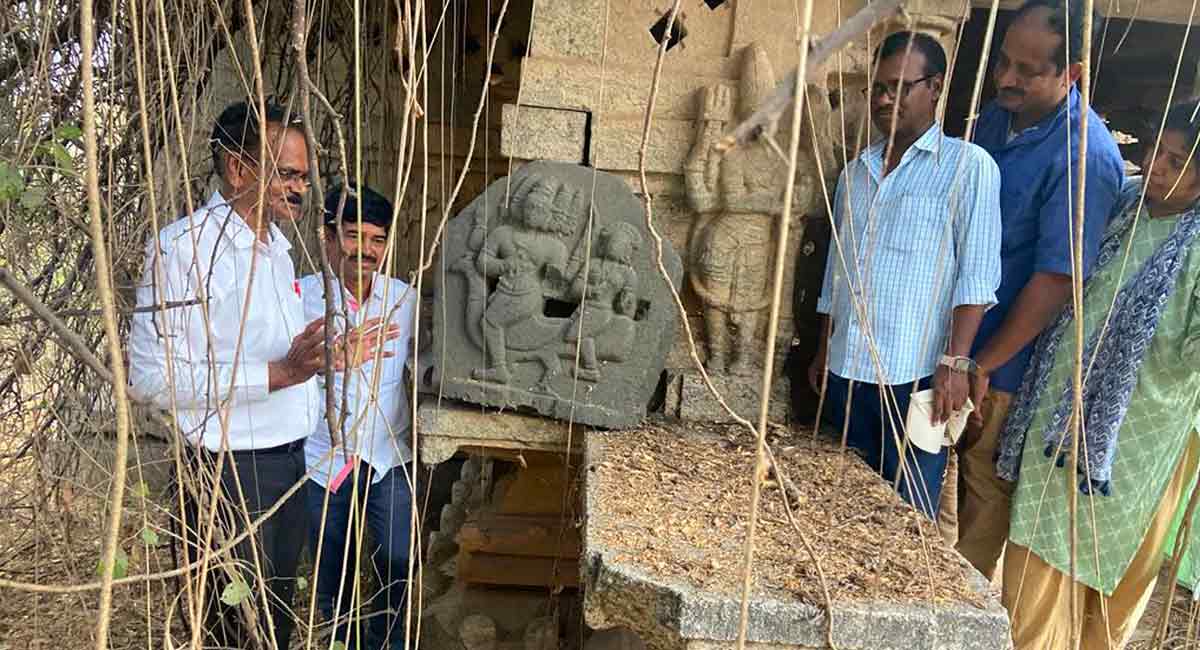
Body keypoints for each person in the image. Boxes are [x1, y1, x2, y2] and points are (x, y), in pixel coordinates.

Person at [128, 101, 394, 648]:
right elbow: (151, 380)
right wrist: (276, 373)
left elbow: (283, 356)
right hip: (224, 472)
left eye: (303, 176)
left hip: (288, 463)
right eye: (287, 174)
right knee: (231, 628)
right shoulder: (184, 250)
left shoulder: (276, 247)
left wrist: (329, 357)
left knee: (273, 623)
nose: (299, 189)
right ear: (239, 169)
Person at [996, 100, 1200, 650]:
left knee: (1105, 606)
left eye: (1175, 159)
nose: (1155, 165)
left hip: (1134, 454)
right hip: (1057, 430)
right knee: (1035, 562)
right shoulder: (1120, 205)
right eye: (1155, 149)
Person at [950, 0, 1126, 579]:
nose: (1005, 78)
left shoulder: (1085, 156)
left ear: (1070, 74)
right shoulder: (999, 115)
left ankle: (954, 631)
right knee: (926, 497)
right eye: (1003, 61)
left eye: (1026, 70)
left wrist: (982, 363)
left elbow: (1057, 280)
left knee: (979, 512)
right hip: (953, 343)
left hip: (1002, 368)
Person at [810, 31, 1002, 518]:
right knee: (841, 507)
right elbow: (838, 269)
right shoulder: (855, 173)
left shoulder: (967, 167)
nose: (884, 99)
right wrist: (822, 347)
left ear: (935, 87)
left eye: (900, 86)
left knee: (907, 516)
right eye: (877, 88)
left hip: (914, 376)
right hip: (845, 372)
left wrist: (956, 362)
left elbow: (977, 277)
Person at [301, 183, 416, 650]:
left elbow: (424, 364)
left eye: (377, 240)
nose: (365, 251)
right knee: (332, 569)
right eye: (353, 236)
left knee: (396, 561)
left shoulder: (405, 300)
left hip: (389, 452)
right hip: (321, 458)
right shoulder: (299, 296)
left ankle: (383, 643)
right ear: (327, 238)